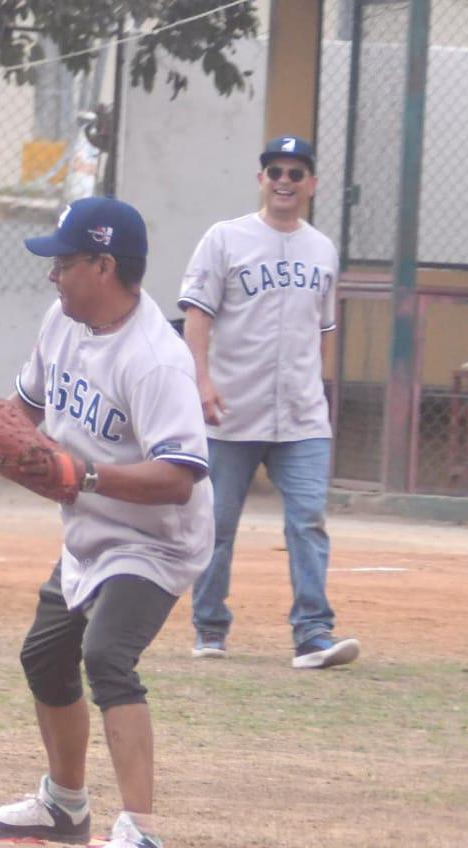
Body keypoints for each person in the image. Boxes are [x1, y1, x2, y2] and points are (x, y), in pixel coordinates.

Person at [0, 198, 212, 848]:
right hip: (92, 530)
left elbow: (182, 477)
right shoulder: (63, 323)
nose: (53, 276)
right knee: (45, 655)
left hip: (155, 540)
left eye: (65, 263)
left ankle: (142, 837)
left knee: (106, 656)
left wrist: (88, 474)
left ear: (104, 266)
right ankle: (65, 806)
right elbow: (22, 414)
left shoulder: (157, 360)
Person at [178, 135, 361, 670]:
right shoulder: (225, 238)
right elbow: (197, 315)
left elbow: (324, 327)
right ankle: (209, 627)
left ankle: (313, 634)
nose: (285, 180)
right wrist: (201, 381)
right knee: (217, 523)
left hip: (302, 416)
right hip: (231, 409)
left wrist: (317, 385)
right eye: (275, 171)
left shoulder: (322, 248)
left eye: (296, 172)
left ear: (311, 185)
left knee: (307, 520)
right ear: (261, 179)